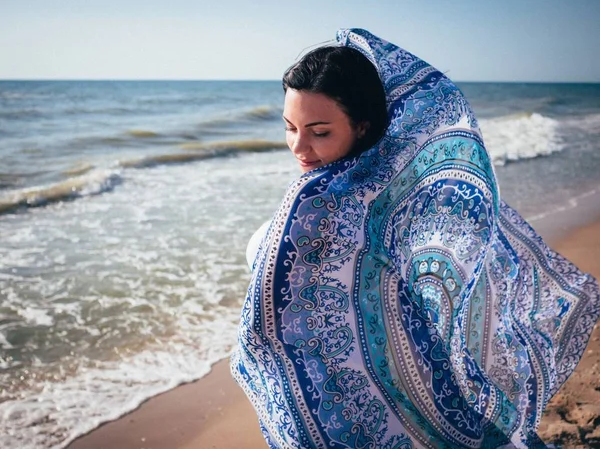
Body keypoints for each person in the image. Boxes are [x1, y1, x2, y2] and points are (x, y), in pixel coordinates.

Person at [231, 28, 600, 448]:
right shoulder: (412, 184)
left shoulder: (327, 208)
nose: (299, 146)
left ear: (362, 125)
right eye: (289, 127)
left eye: (319, 132)